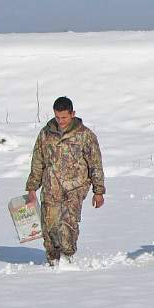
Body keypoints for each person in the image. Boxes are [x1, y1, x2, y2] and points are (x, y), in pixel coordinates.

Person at [25, 96, 106, 266]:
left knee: (67, 225)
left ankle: (67, 258)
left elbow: (95, 164)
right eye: (57, 117)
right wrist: (32, 187)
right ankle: (53, 259)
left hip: (75, 188)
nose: (60, 121)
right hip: (50, 187)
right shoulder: (45, 133)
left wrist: (98, 191)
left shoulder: (85, 135)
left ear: (72, 114)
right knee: (50, 225)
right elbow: (38, 161)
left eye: (64, 117)